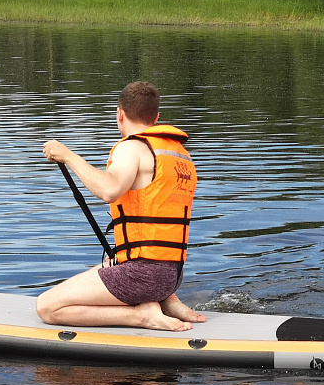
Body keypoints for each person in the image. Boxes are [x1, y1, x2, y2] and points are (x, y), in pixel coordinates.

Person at [36, 81, 205, 331]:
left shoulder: (132, 147)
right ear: (156, 117)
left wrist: (67, 155)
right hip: (172, 275)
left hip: (143, 276)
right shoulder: (178, 154)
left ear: (120, 114)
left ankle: (142, 315)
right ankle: (167, 300)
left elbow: (110, 190)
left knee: (47, 307)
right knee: (107, 266)